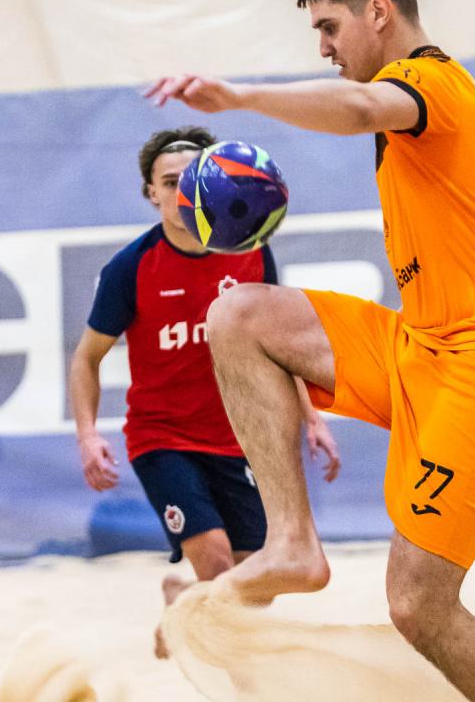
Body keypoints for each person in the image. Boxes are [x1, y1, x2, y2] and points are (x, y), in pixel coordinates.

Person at [146, 0, 475, 702]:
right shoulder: (436, 111)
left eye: (329, 27)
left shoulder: (427, 81)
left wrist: (239, 97)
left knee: (418, 604)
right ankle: (291, 544)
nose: (324, 47)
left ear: (379, 12)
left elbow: (362, 106)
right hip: (421, 344)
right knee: (239, 315)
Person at [68, 126, 339, 658]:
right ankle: (239, 678)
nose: (181, 192)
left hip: (239, 439)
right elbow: (86, 358)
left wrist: (313, 417)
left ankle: (182, 601)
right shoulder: (130, 267)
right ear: (151, 193)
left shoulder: (250, 251)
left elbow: (281, 344)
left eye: (191, 180)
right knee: (216, 563)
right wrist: (87, 436)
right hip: (163, 438)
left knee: (256, 586)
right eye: (170, 183)